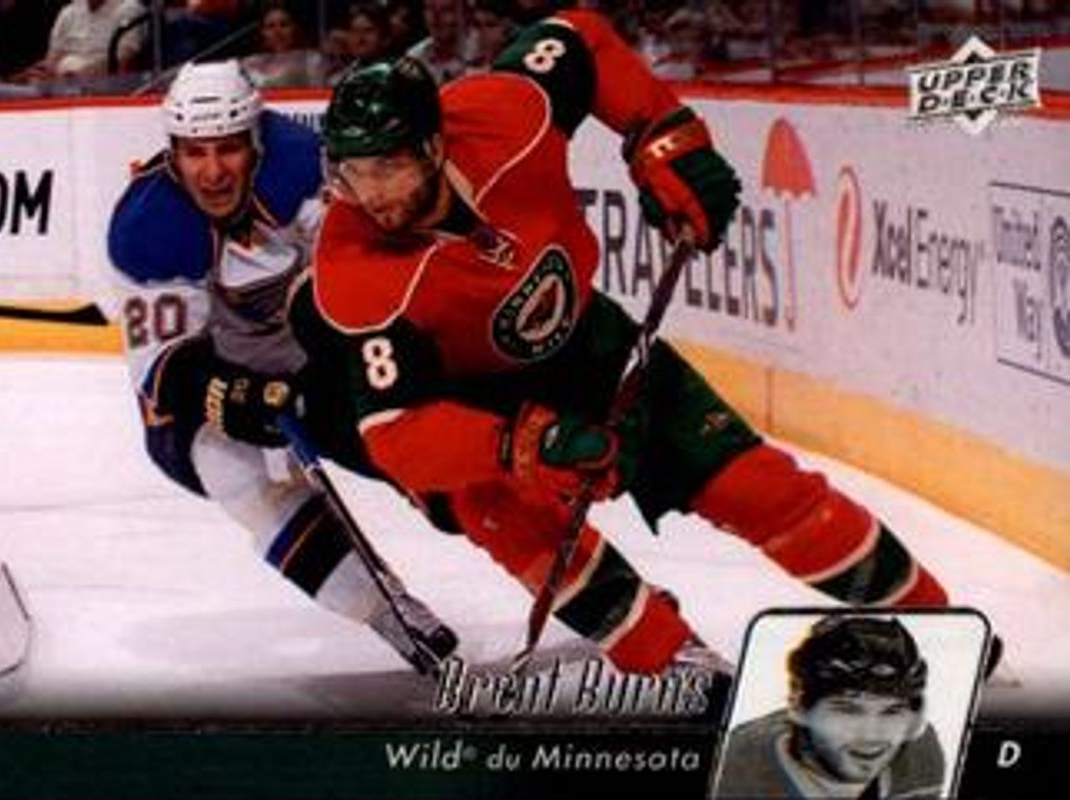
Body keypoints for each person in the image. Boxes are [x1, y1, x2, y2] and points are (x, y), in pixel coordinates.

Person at [311, 9, 953, 678]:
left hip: (592, 344)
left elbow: (579, 35)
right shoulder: (354, 269)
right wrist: (523, 445)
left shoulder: (504, 116)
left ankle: (934, 624)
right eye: (355, 172)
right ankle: (673, 664)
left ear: (434, 146)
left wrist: (665, 139)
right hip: (477, 406)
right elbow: (397, 432)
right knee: (518, 522)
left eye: (389, 166)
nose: (372, 193)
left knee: (753, 486)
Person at [106, 60, 457, 675]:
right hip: (216, 364)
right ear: (173, 152)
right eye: (194, 152)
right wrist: (231, 393)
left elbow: (365, 270)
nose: (212, 172)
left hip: (310, 345)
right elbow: (164, 367)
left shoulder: (304, 163)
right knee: (230, 472)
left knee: (423, 449)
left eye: (227, 149)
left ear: (256, 141)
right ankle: (385, 610)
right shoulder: (147, 226)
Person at [711, 615, 945, 799]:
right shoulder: (729, 775)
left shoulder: (919, 755)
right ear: (798, 706)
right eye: (848, 710)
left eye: (891, 711)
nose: (871, 735)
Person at [241, 0, 325, 87]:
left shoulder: (312, 59)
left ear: (294, 28)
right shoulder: (250, 63)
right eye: (270, 26)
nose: (277, 32)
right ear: (263, 32)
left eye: (284, 25)